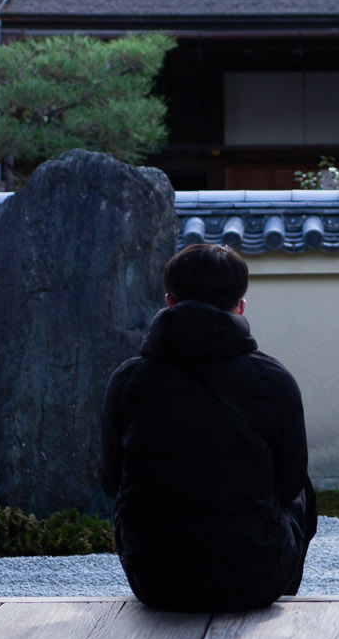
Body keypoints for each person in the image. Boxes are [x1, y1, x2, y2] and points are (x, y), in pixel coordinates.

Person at [100, 241, 317, 612]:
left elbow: (110, 480)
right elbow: (291, 480)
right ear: (240, 306)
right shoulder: (273, 378)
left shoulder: (128, 379)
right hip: (257, 580)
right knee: (303, 491)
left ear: (169, 302)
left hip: (155, 580)